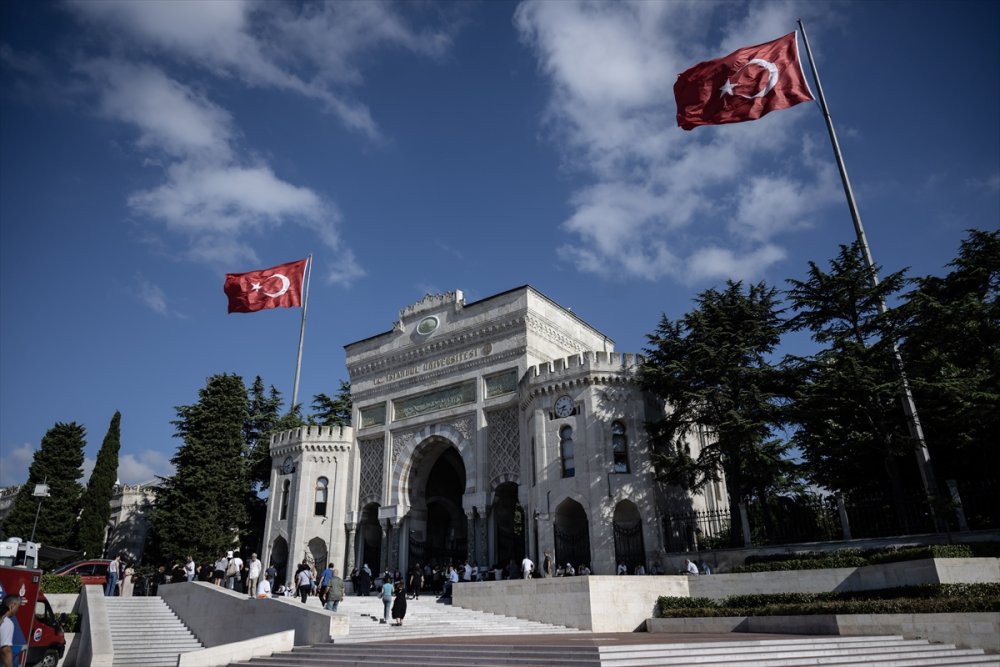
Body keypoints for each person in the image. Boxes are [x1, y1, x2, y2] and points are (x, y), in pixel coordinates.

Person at [1, 593, 23, 667]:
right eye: (18, 607)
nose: (17, 610)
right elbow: (6, 650)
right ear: (12, 605)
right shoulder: (7, 623)